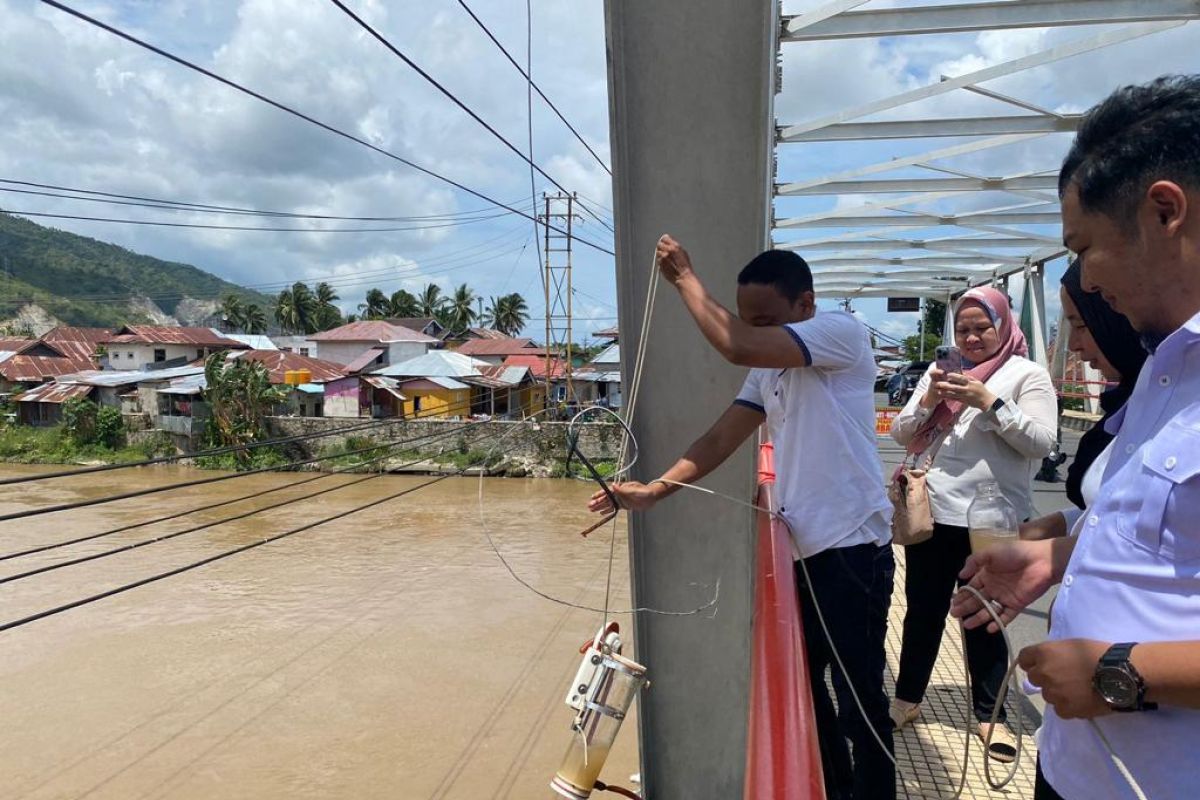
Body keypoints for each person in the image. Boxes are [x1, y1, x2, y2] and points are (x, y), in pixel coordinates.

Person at [952, 75, 1200, 800]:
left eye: (1084, 247)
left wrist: (1117, 673)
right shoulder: (1167, 371)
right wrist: (1056, 556)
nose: (1087, 280)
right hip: (1075, 764)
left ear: (1164, 211)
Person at [588, 240, 895, 799]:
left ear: (806, 305)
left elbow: (734, 343)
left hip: (852, 548)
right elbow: (722, 436)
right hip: (803, 549)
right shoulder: (769, 371)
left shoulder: (841, 333)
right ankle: (838, 789)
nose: (758, 335)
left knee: (861, 699)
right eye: (750, 319)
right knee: (810, 689)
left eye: (767, 322)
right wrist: (656, 490)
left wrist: (684, 277)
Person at [888, 288, 1057, 761]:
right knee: (922, 610)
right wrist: (928, 401)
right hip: (935, 514)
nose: (972, 337)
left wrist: (990, 402)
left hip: (993, 519)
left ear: (1003, 325)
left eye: (982, 327)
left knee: (984, 618)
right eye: (963, 329)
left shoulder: (1028, 375)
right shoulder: (939, 371)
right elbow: (900, 431)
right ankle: (907, 700)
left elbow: (1044, 442)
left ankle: (992, 716)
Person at [1020, 260, 1148, 541]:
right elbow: (1124, 516)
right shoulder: (1136, 398)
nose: (1073, 345)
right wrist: (1058, 525)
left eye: (1081, 325)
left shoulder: (1173, 406)